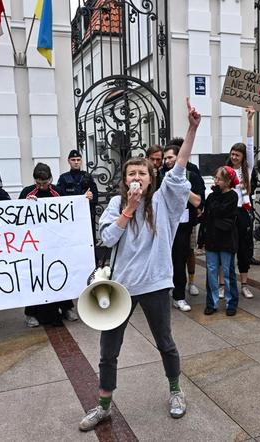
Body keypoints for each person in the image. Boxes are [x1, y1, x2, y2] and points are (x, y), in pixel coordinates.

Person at [78, 98, 200, 432]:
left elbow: (180, 167)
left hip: (156, 285)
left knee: (165, 342)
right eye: (131, 173)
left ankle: (175, 391)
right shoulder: (117, 204)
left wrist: (191, 129)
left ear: (150, 178)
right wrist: (127, 210)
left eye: (142, 172)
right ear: (124, 179)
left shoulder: (164, 201)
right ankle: (103, 405)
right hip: (120, 289)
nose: (136, 176)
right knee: (108, 350)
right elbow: (107, 239)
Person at [19, 163, 78, 326]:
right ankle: (30, 313)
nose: (42, 186)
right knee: (36, 277)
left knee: (60, 274)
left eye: (45, 183)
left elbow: (70, 209)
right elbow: (18, 215)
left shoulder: (58, 191)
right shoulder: (27, 192)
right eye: (38, 183)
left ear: (50, 179)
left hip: (56, 244)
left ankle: (66, 307)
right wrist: (26, 205)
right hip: (35, 244)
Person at [162, 145, 205, 312]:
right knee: (165, 260)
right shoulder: (161, 175)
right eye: (165, 158)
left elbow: (198, 201)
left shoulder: (192, 176)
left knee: (180, 260)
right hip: (164, 224)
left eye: (170, 157)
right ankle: (165, 291)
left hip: (183, 225)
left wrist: (180, 186)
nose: (167, 161)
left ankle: (179, 296)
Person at [198, 166, 239, 316]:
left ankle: (231, 302)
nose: (216, 181)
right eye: (215, 178)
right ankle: (212, 303)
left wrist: (213, 202)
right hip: (212, 240)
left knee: (228, 273)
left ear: (227, 181)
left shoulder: (232, 196)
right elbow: (207, 216)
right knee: (211, 272)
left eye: (219, 179)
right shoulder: (212, 196)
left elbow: (218, 211)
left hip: (226, 240)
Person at [225, 106, 256, 298]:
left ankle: (244, 284)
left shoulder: (247, 170)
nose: (234, 156)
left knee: (244, 249)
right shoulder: (225, 170)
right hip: (228, 213)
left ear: (243, 157)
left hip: (243, 212)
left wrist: (250, 120)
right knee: (228, 249)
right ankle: (225, 284)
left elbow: (251, 144)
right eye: (232, 153)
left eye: (237, 154)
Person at [57, 149, 99, 244]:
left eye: (78, 160)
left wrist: (90, 197)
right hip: (70, 216)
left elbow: (95, 196)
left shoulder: (87, 176)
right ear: (69, 161)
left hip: (86, 215)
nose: (76, 162)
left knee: (89, 241)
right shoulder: (63, 178)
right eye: (73, 160)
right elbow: (59, 198)